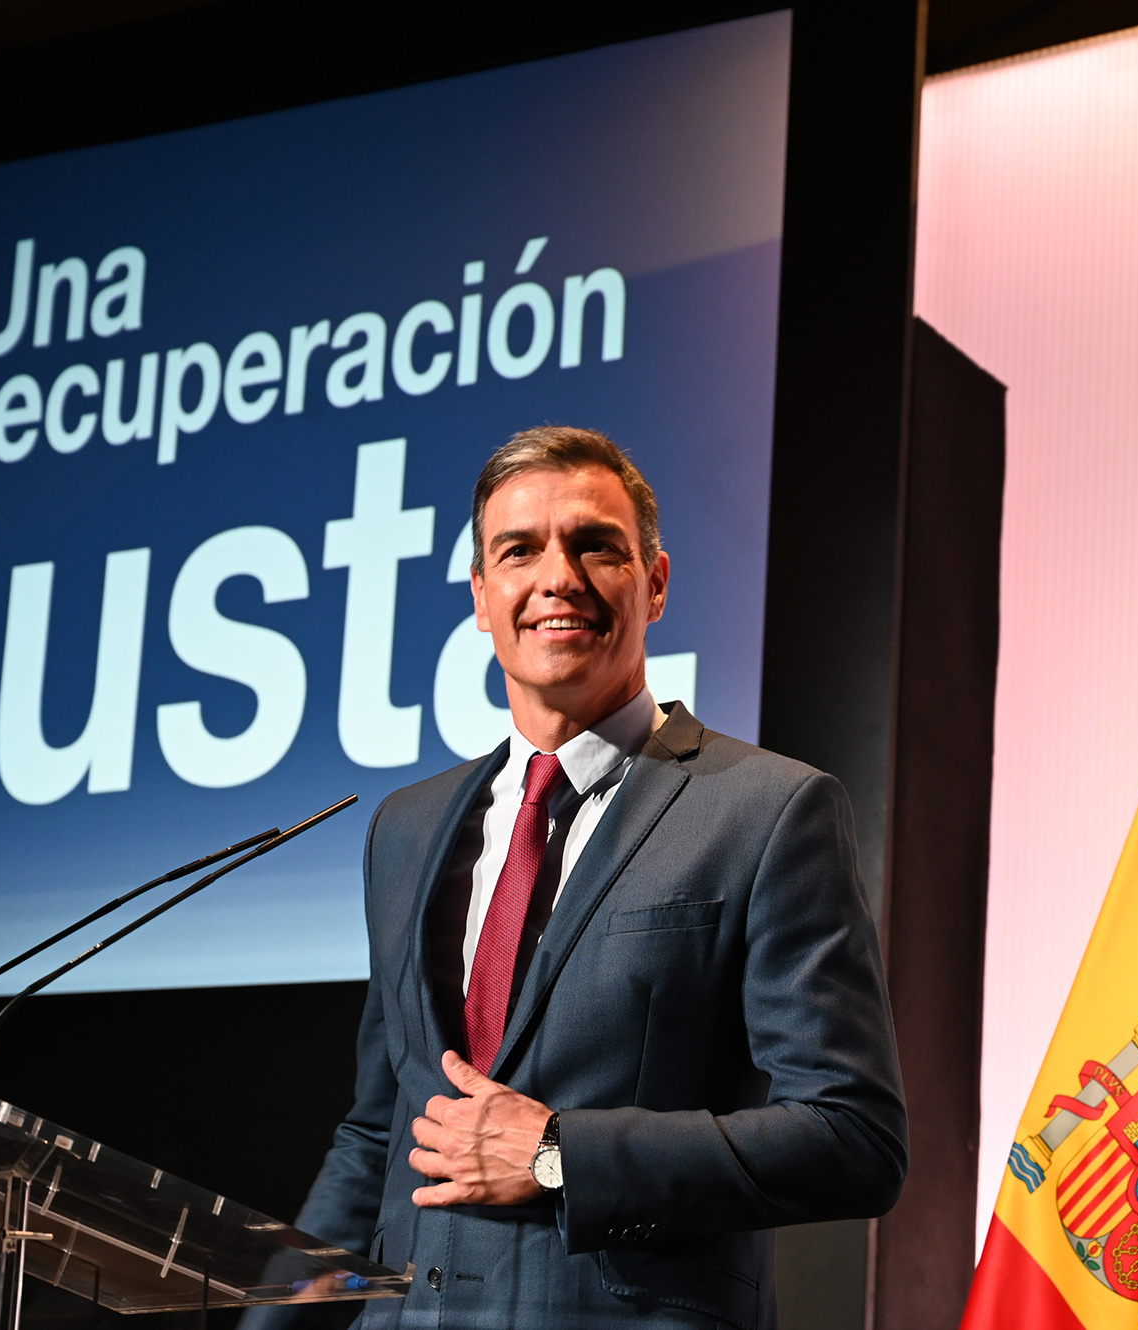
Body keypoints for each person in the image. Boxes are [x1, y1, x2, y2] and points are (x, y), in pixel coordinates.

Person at [254, 426, 906, 1330]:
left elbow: (853, 1136)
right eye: (518, 550)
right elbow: (379, 1138)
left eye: (595, 545)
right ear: (483, 597)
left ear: (658, 583)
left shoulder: (767, 809)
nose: (557, 577)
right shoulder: (404, 832)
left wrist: (563, 1154)